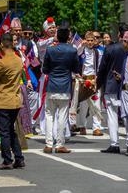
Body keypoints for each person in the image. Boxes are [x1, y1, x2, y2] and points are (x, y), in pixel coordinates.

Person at [0, 33, 25, 170]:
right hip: (14, 99)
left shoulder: (2, 63)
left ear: (2, 44)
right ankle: (19, 158)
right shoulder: (18, 60)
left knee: (3, 132)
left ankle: (7, 160)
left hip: (3, 100)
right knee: (11, 130)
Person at [42, 25, 80, 154]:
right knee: (63, 116)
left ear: (57, 36)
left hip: (52, 85)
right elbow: (76, 69)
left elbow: (45, 69)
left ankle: (48, 144)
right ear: (68, 37)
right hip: (65, 86)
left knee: (49, 116)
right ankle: (59, 144)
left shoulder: (50, 50)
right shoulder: (72, 50)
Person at [97, 24, 128, 154]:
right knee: (127, 116)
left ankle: (114, 143)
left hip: (111, 85)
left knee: (112, 115)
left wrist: (98, 84)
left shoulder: (110, 48)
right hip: (127, 86)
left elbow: (102, 69)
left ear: (119, 34)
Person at [76, 31, 103, 136]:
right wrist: (81, 45)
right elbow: (76, 53)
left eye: (92, 40)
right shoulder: (81, 51)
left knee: (96, 104)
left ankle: (96, 127)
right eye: (88, 40)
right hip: (83, 79)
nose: (90, 42)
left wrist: (98, 78)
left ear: (95, 41)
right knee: (83, 105)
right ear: (85, 40)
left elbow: (100, 66)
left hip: (94, 79)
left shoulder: (98, 52)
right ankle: (82, 125)